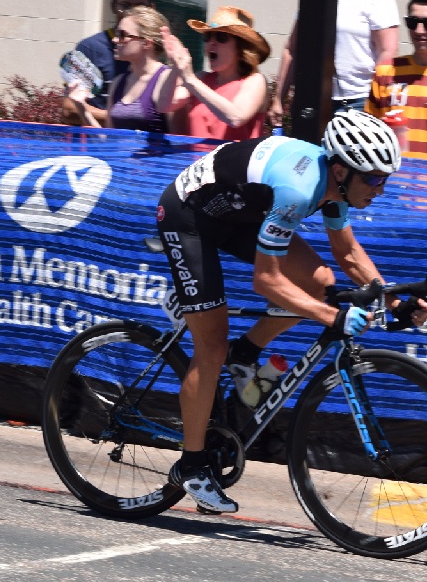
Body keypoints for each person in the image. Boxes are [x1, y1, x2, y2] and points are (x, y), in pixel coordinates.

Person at [157, 109, 426, 512]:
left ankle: (245, 353)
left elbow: (347, 253)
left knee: (321, 282)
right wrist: (331, 317)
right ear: (341, 170)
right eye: (372, 178)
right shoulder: (300, 190)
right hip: (189, 216)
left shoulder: (335, 189)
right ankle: (191, 466)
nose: (380, 188)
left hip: (239, 213)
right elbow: (266, 281)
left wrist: (395, 301)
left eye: (384, 178)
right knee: (210, 345)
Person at [270, 0, 399, 124]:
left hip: (359, 100)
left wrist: (376, 99)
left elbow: (387, 51)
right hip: (314, 99)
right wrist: (278, 99)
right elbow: (292, 49)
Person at [159, 5, 270, 140]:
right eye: (207, 37)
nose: (211, 43)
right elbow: (164, 105)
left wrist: (190, 79)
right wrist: (176, 65)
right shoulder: (201, 79)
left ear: (241, 49)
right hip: (198, 160)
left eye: (221, 37)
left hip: (234, 161)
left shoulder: (255, 80)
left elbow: (236, 118)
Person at [61, 0, 154, 126]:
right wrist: (124, 117)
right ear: (112, 7)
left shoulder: (157, 52)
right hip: (98, 146)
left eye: (140, 8)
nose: (131, 14)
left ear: (151, 10)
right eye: (124, 6)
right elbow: (69, 110)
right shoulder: (89, 48)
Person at [66, 5, 172, 133]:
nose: (115, 40)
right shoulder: (118, 83)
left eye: (122, 35)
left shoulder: (167, 80)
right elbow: (109, 143)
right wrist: (81, 106)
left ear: (146, 43)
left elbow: (180, 141)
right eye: (116, 33)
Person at [365, 0, 427, 157]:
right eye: (413, 22)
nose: (419, 30)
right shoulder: (385, 71)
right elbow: (369, 130)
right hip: (392, 176)